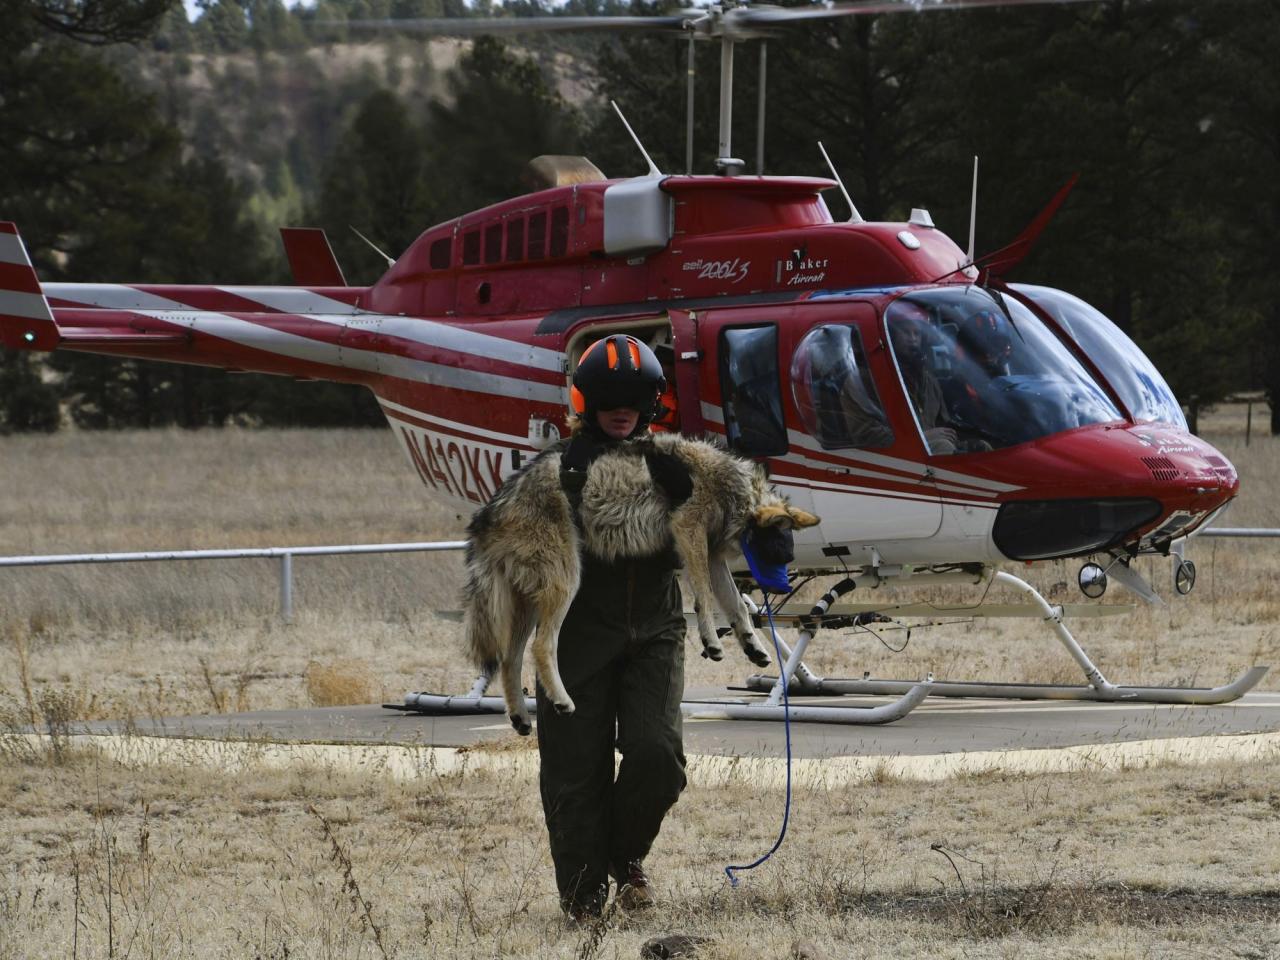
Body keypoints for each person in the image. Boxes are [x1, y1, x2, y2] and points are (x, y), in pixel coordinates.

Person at [540, 333, 693, 922]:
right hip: (577, 635)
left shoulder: (676, 466)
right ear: (585, 399)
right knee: (576, 773)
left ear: (652, 402)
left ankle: (624, 856)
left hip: (656, 626)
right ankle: (581, 901)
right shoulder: (557, 472)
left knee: (658, 756)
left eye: (633, 396)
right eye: (607, 396)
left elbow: (714, 526)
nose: (620, 408)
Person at [887, 305, 957, 455]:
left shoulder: (929, 379)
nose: (912, 339)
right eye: (906, 332)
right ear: (891, 335)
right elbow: (868, 434)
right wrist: (921, 437)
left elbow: (944, 424)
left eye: (917, 334)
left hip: (924, 454)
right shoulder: (876, 378)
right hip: (898, 457)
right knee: (943, 447)